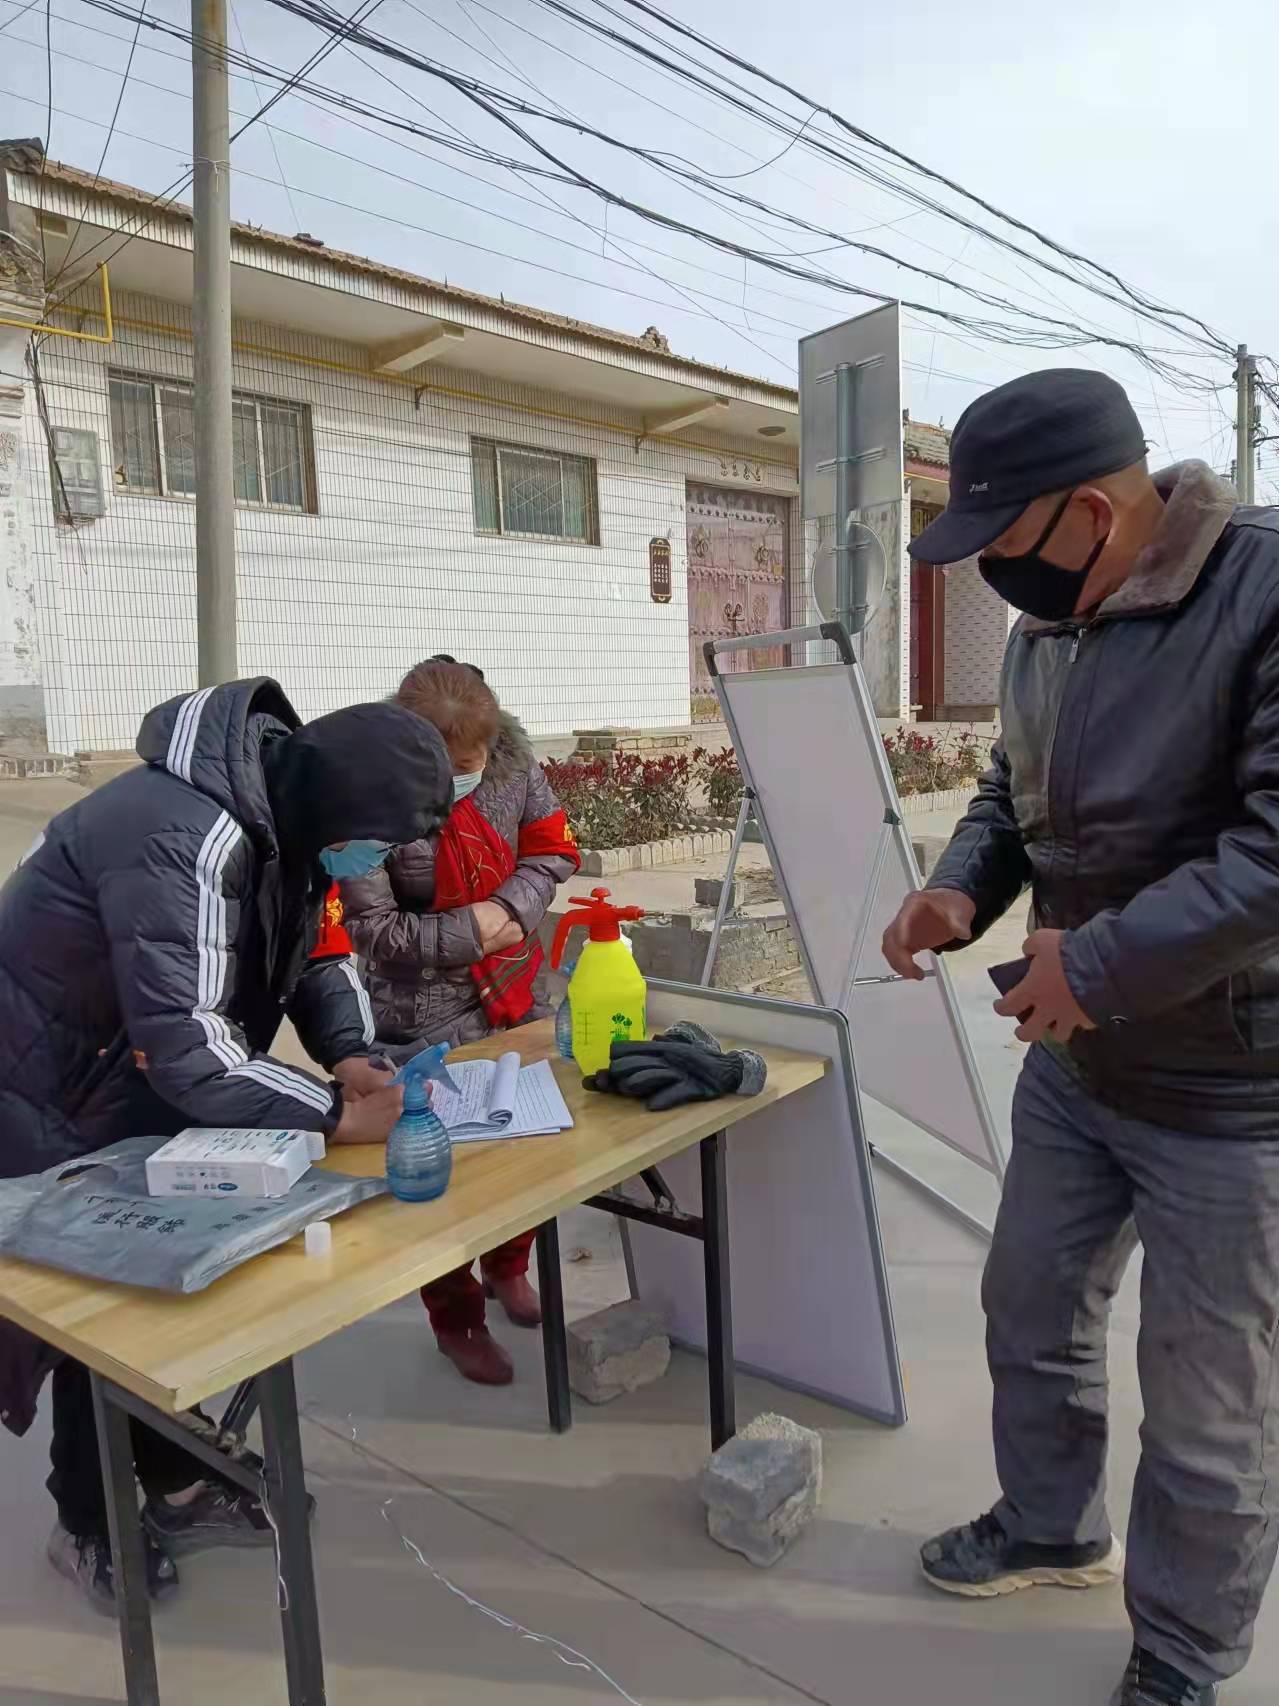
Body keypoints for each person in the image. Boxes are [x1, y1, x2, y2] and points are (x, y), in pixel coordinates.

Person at [882, 368, 1279, 1706]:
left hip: (1235, 1087)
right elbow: (1009, 790)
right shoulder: (1044, 632)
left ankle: (1178, 1648)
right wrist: (958, 884)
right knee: (1030, 1300)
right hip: (1077, 1062)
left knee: (1206, 1402)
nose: (993, 573)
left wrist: (1096, 962)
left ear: (1090, 510)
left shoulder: (1262, 589)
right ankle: (1049, 1524)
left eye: (1001, 538)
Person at [0, 677, 453, 1612]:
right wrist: (333, 1114)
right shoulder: (182, 832)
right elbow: (187, 1044)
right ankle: (84, 1521)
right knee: (105, 1310)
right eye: (374, 839)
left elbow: (315, 953)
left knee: (177, 1291)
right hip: (47, 1084)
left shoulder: (284, 821)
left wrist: (355, 1058)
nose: (370, 861)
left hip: (123, 1075)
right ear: (334, 804)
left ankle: (172, 1476)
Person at [340, 659, 580, 1386]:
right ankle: (456, 1316)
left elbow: (552, 849)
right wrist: (472, 932)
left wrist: (511, 911)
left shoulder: (513, 763)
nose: (462, 782)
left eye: (469, 766)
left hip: (516, 989)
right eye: (445, 771)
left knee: (529, 1146)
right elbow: (372, 928)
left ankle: (510, 1266)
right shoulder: (364, 796)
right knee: (438, 1171)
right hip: (419, 1009)